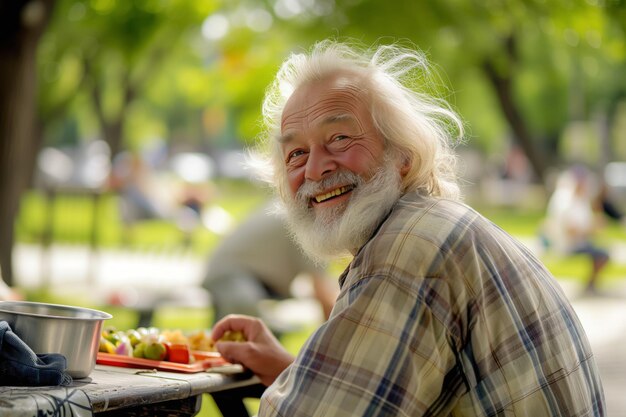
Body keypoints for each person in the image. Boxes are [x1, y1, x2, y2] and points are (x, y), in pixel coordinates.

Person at [211, 40, 605, 415]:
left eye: (340, 137)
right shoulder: (428, 225)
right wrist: (292, 370)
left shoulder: (407, 248)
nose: (315, 168)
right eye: (296, 153)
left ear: (402, 154)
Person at [203, 201, 338, 325]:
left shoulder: (290, 207)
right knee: (240, 331)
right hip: (234, 277)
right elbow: (322, 293)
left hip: (243, 276)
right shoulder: (308, 222)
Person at [544, 165, 610, 293]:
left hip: (578, 242)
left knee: (602, 251)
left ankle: (591, 284)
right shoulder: (565, 200)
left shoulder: (580, 200)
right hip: (567, 244)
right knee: (602, 254)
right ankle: (590, 284)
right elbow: (571, 230)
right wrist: (592, 229)